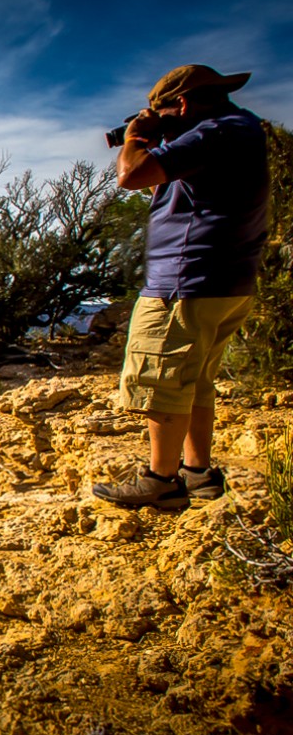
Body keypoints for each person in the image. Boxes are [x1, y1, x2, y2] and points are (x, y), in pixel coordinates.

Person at [93, 65, 269, 510]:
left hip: (186, 280)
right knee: (195, 380)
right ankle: (197, 471)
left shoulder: (213, 133)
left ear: (183, 104)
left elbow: (132, 175)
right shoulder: (241, 130)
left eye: (162, 112)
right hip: (226, 279)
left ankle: (160, 480)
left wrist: (135, 138)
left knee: (163, 379)